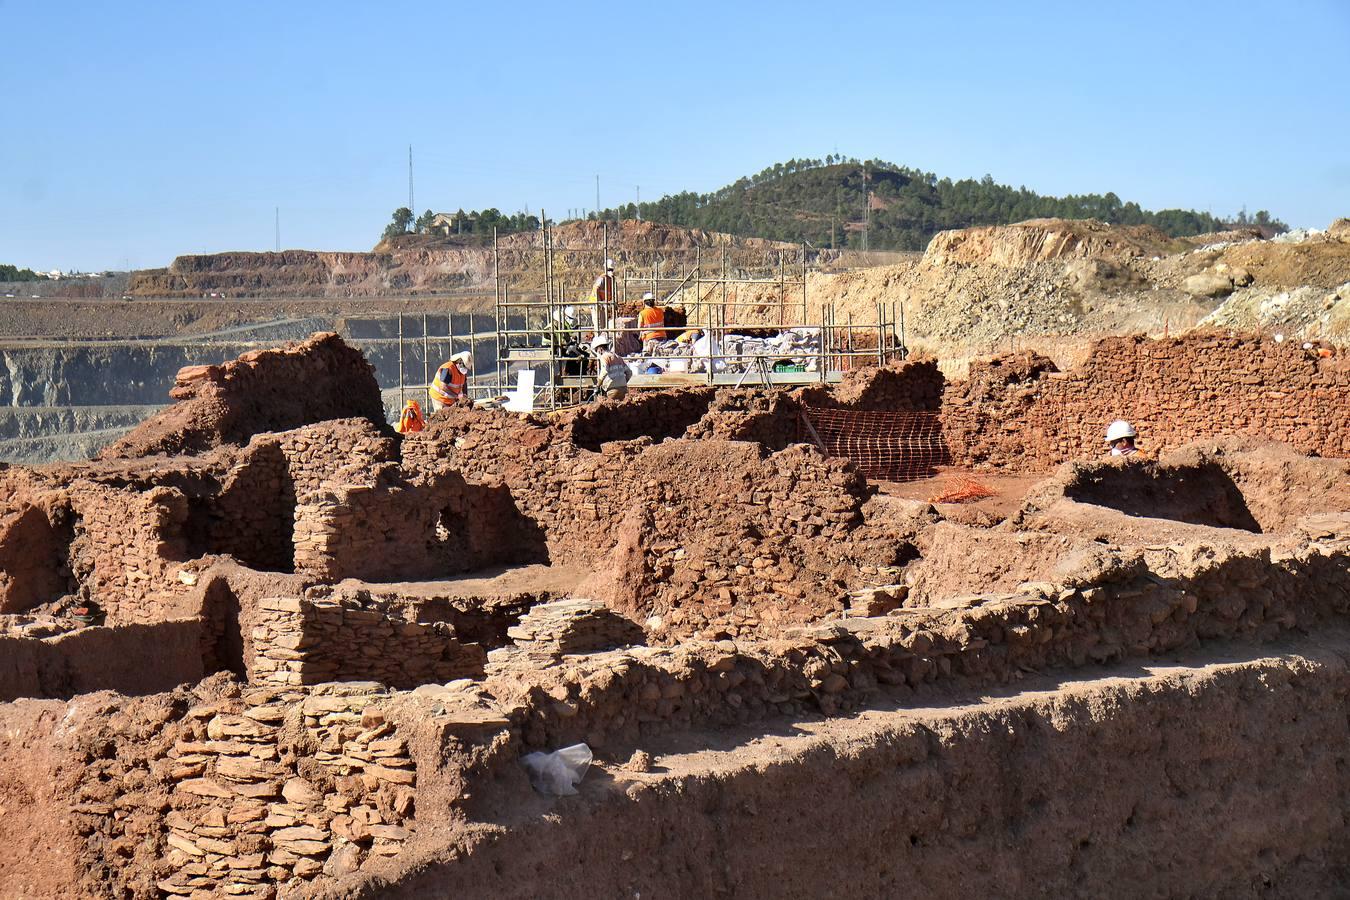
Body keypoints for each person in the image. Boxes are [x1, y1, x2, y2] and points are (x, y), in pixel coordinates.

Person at [590, 334, 632, 401]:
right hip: (624, 389)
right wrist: (622, 382)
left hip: (612, 390)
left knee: (611, 408)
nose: (597, 352)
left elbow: (604, 371)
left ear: (600, 349)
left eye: (596, 350)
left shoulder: (605, 357)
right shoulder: (618, 357)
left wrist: (597, 386)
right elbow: (629, 372)